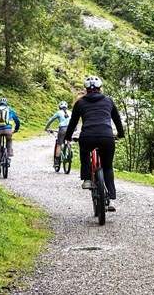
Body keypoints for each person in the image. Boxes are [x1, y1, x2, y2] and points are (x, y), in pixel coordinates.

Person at [64, 76, 124, 211]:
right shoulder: (108, 101)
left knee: (85, 152)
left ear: (86, 89)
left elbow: (73, 122)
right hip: (106, 137)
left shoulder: (80, 103)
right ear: (100, 88)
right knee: (107, 167)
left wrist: (68, 137)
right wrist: (120, 134)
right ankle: (112, 199)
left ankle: (86, 179)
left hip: (88, 137)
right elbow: (117, 119)